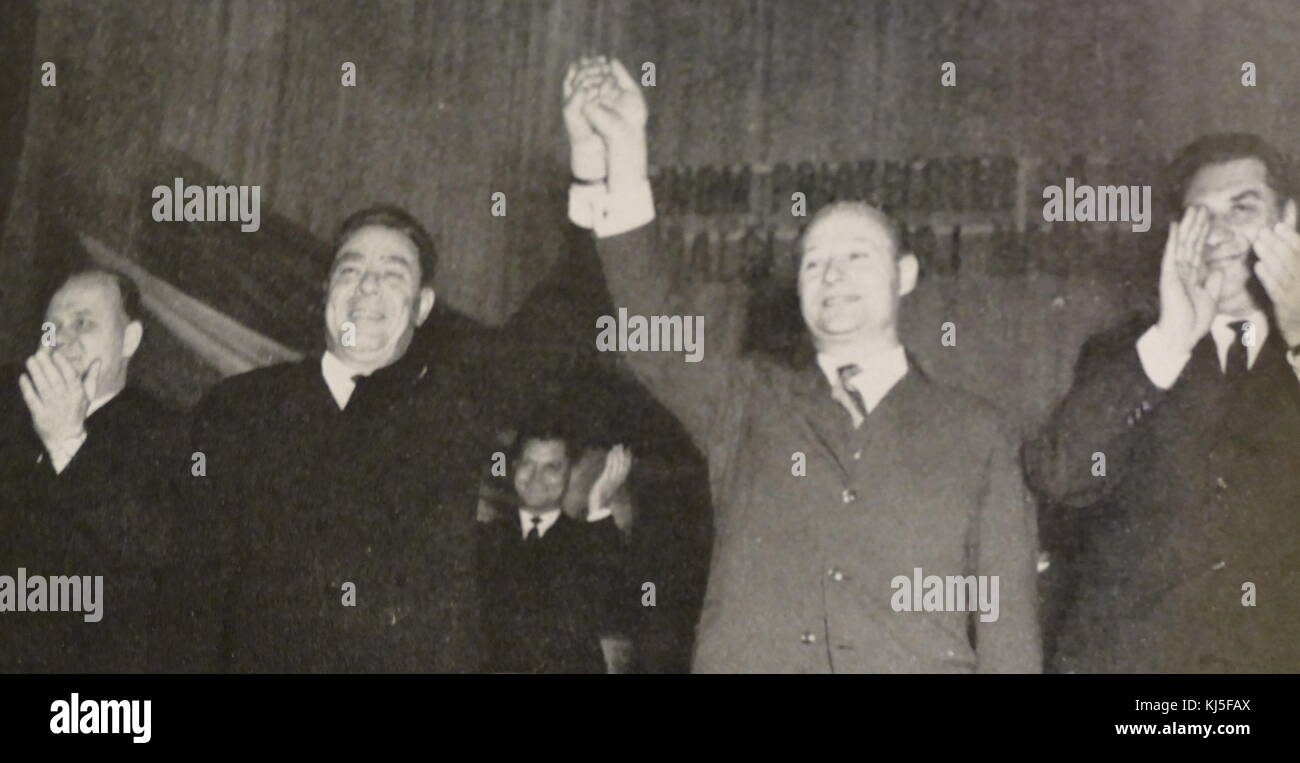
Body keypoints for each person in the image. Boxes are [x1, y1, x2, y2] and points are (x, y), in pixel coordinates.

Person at [561, 57, 1040, 673]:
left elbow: (1009, 636)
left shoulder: (982, 434)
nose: (832, 275)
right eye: (814, 262)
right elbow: (654, 323)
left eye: (856, 256)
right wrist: (624, 151)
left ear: (906, 276)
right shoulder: (748, 401)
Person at [1027, 133, 1300, 673]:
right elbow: (1059, 476)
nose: (1219, 235)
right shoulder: (1127, 354)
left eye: (1242, 209)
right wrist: (1172, 339)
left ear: (1290, 218)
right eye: (1201, 216)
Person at [190, 205, 486, 672]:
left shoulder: (450, 425)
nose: (367, 285)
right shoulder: (237, 409)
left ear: (423, 306)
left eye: (392, 273)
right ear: (327, 288)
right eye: (351, 269)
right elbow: (192, 594)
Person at [0, 268, 184, 672]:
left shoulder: (169, 436)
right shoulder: (8, 405)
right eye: (51, 328)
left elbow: (157, 550)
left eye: (83, 324)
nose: (62, 340)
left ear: (129, 340)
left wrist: (68, 442)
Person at [478, 418, 631, 673]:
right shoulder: (485, 539)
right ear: (514, 467)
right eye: (528, 464)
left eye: (551, 467)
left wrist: (599, 502)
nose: (536, 477)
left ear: (569, 473)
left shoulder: (589, 541)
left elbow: (609, 607)